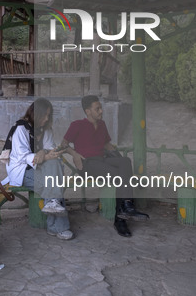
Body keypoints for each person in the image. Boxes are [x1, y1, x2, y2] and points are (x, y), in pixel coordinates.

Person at [61, 95, 149, 238]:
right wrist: (75, 155)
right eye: (98, 109)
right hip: (87, 164)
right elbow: (63, 144)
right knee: (120, 176)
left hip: (102, 160)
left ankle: (125, 208)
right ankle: (121, 219)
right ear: (88, 111)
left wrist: (122, 164)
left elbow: (108, 145)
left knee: (125, 162)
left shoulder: (102, 125)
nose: (101, 111)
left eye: (100, 108)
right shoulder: (77, 125)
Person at [2, 98, 74, 240]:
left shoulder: (46, 130)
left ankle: (53, 206)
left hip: (41, 167)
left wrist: (45, 153)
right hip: (20, 170)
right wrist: (43, 155)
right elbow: (23, 157)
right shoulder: (21, 129)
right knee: (54, 183)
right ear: (36, 114)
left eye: (49, 115)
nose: (47, 119)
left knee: (54, 169)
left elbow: (49, 148)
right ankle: (57, 226)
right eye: (44, 115)